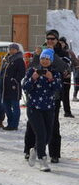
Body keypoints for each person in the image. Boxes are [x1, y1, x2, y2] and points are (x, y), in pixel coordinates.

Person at [25, 30, 69, 163]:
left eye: (53, 39)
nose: (50, 41)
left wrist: (53, 55)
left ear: (57, 41)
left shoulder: (63, 53)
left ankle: (54, 153)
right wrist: (37, 57)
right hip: (36, 96)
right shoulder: (40, 52)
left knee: (52, 126)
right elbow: (33, 68)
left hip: (52, 96)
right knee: (32, 126)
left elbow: (65, 69)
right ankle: (29, 150)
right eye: (48, 38)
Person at [22, 48, 62, 172]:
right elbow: (25, 87)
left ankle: (35, 149)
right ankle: (42, 159)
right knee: (41, 134)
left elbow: (59, 88)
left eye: (47, 59)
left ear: (51, 60)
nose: (45, 61)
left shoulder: (55, 73)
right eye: (43, 58)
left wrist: (51, 79)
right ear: (40, 59)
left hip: (49, 108)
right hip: (34, 108)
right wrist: (33, 78)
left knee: (48, 136)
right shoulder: (32, 71)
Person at [0, 43, 26, 130]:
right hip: (5, 87)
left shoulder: (19, 60)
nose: (11, 51)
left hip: (14, 87)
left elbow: (22, 73)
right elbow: (2, 71)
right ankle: (10, 122)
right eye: (10, 49)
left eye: (13, 49)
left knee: (15, 106)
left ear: (17, 50)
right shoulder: (6, 59)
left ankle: (14, 125)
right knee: (6, 106)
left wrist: (14, 80)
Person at [59, 37, 75, 118]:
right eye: (60, 42)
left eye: (62, 42)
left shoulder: (68, 52)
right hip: (57, 76)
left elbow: (73, 62)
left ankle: (67, 111)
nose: (61, 44)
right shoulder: (55, 52)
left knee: (65, 95)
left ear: (65, 44)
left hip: (66, 76)